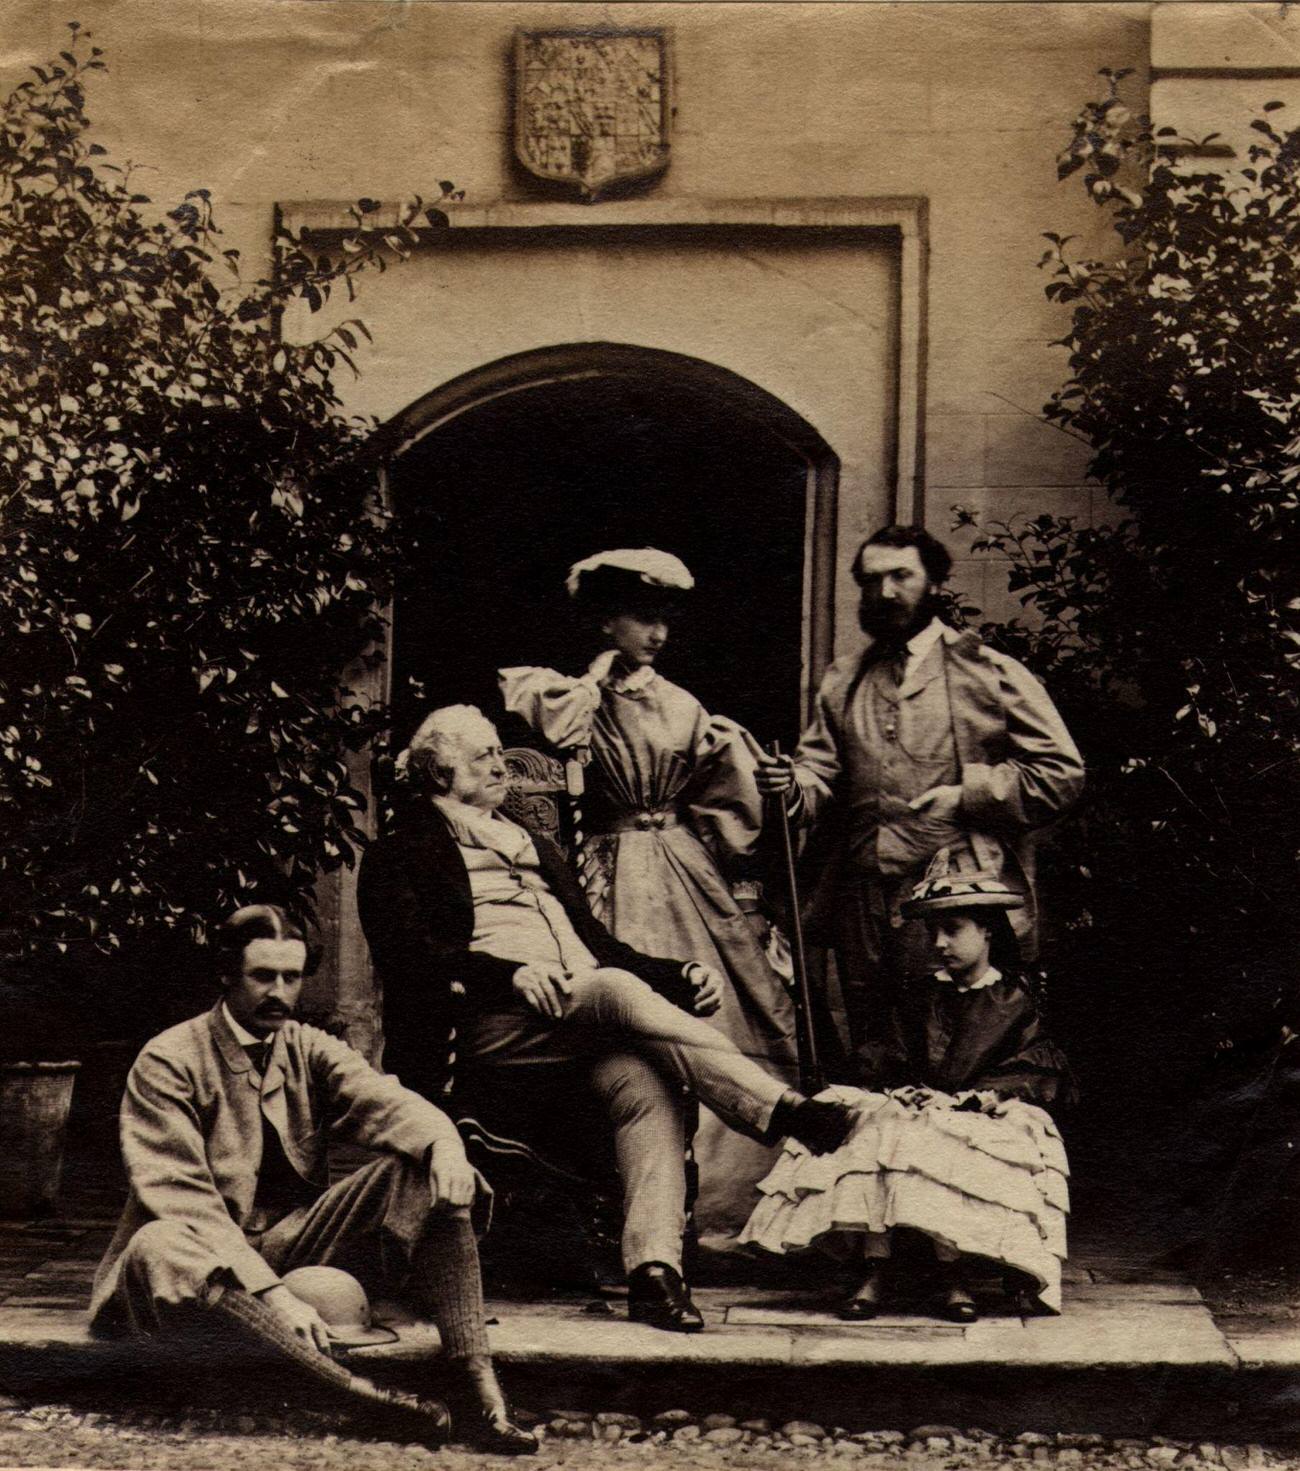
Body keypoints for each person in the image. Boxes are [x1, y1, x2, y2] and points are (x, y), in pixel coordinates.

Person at [357, 704, 853, 1333]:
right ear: (438, 772)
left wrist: (676, 976)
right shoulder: (400, 852)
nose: (497, 762)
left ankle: (653, 1273)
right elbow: (410, 958)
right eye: (479, 754)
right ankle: (779, 1110)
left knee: (650, 1085)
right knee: (614, 989)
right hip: (486, 1026)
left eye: (496, 750)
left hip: (579, 1015)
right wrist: (504, 973)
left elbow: (597, 944)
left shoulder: (532, 843)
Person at [88, 904, 537, 1456]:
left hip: (291, 1243)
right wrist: (274, 1295)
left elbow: (385, 1100)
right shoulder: (170, 1059)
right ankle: (364, 1398)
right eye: (262, 976)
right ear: (228, 975)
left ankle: (477, 1390)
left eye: (291, 977)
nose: (278, 991)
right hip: (200, 1256)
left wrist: (444, 1144)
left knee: (426, 1168)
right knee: (158, 1245)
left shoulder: (304, 1045)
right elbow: (184, 1201)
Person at [499, 547, 799, 1248]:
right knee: (624, 1013)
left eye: (665, 620)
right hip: (607, 863)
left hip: (684, 870)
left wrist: (778, 788)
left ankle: (735, 1203)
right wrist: (595, 682)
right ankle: (616, 1200)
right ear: (606, 622)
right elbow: (556, 737)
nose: (656, 634)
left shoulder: (681, 703)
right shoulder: (570, 693)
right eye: (641, 618)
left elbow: (732, 797)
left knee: (728, 1006)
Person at [756, 524, 1084, 1050]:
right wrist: (791, 783)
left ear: (935, 583)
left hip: (955, 894)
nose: (884, 592)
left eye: (901, 576)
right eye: (870, 580)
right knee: (871, 1045)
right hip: (861, 899)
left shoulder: (988, 672)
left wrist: (967, 796)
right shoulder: (845, 679)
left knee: (952, 1044)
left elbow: (1060, 773)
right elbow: (818, 775)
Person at [740, 858, 1074, 1321]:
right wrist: (902, 1088)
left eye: (953, 929)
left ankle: (952, 1272)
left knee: (954, 1135)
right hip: (921, 1105)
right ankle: (874, 1267)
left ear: (988, 932)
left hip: (984, 1111)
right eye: (933, 931)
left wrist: (974, 1099)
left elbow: (1036, 1068)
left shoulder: (1014, 1000)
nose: (939, 943)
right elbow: (885, 1055)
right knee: (886, 1126)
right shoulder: (920, 995)